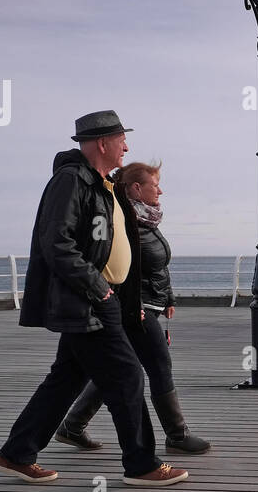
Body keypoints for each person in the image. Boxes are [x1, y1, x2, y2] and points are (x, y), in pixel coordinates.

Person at [0, 110, 188, 487]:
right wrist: (98, 288)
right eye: (121, 140)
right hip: (88, 300)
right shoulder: (71, 181)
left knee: (66, 378)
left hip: (104, 299)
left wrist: (130, 303)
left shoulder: (102, 184)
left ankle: (17, 452)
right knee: (128, 375)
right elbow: (57, 244)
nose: (126, 146)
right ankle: (142, 464)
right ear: (102, 143)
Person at [54, 160, 210, 454]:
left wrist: (169, 299)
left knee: (120, 368)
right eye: (155, 185)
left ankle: (73, 425)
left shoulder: (147, 220)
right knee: (158, 365)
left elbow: (157, 265)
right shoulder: (122, 221)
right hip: (134, 308)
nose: (160, 191)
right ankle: (177, 434)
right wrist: (131, 305)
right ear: (137, 189)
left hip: (151, 304)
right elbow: (120, 268)